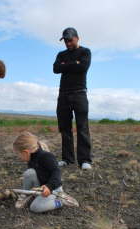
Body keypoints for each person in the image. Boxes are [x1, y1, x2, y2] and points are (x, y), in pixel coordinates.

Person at [53, 27, 93, 170]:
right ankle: (67, 159)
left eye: (70, 40)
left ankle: (85, 160)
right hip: (63, 94)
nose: (68, 43)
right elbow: (55, 68)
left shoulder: (85, 52)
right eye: (65, 41)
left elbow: (83, 67)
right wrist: (73, 64)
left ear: (77, 38)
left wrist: (66, 65)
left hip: (79, 94)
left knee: (82, 127)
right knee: (65, 128)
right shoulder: (61, 54)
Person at [12, 131, 64, 213]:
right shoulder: (31, 158)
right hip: (40, 186)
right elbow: (34, 174)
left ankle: (60, 201)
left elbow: (57, 173)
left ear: (26, 152)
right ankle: (26, 194)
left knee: (35, 207)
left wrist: (49, 187)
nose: (18, 157)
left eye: (18, 154)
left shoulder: (47, 157)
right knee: (29, 172)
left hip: (53, 189)